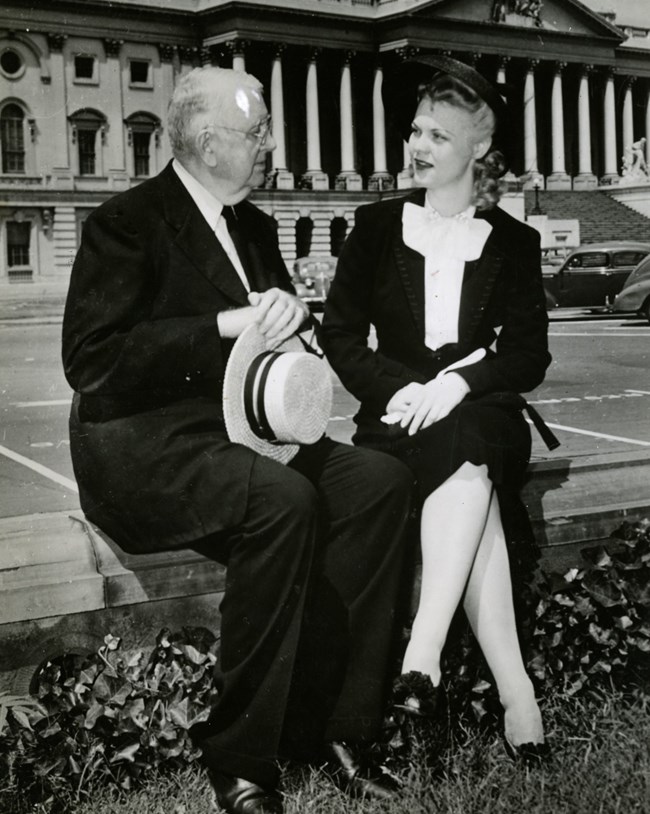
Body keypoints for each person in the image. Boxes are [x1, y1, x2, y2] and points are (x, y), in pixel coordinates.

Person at [62, 67, 415, 813]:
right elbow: (92, 361)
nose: (269, 148)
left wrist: (294, 314)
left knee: (379, 482)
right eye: (256, 134)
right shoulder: (126, 222)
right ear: (206, 140)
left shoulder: (254, 225)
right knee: (282, 502)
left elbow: (284, 350)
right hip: (146, 447)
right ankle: (242, 758)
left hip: (249, 433)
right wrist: (217, 329)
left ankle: (333, 727)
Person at [322, 56, 555, 764]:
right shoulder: (374, 225)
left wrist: (456, 384)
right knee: (473, 487)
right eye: (417, 130)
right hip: (395, 416)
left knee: (473, 436)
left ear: (479, 150)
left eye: (438, 136)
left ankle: (421, 655)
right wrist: (397, 390)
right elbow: (338, 335)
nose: (418, 146)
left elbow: (527, 356)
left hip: (476, 411)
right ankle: (517, 695)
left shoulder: (515, 242)